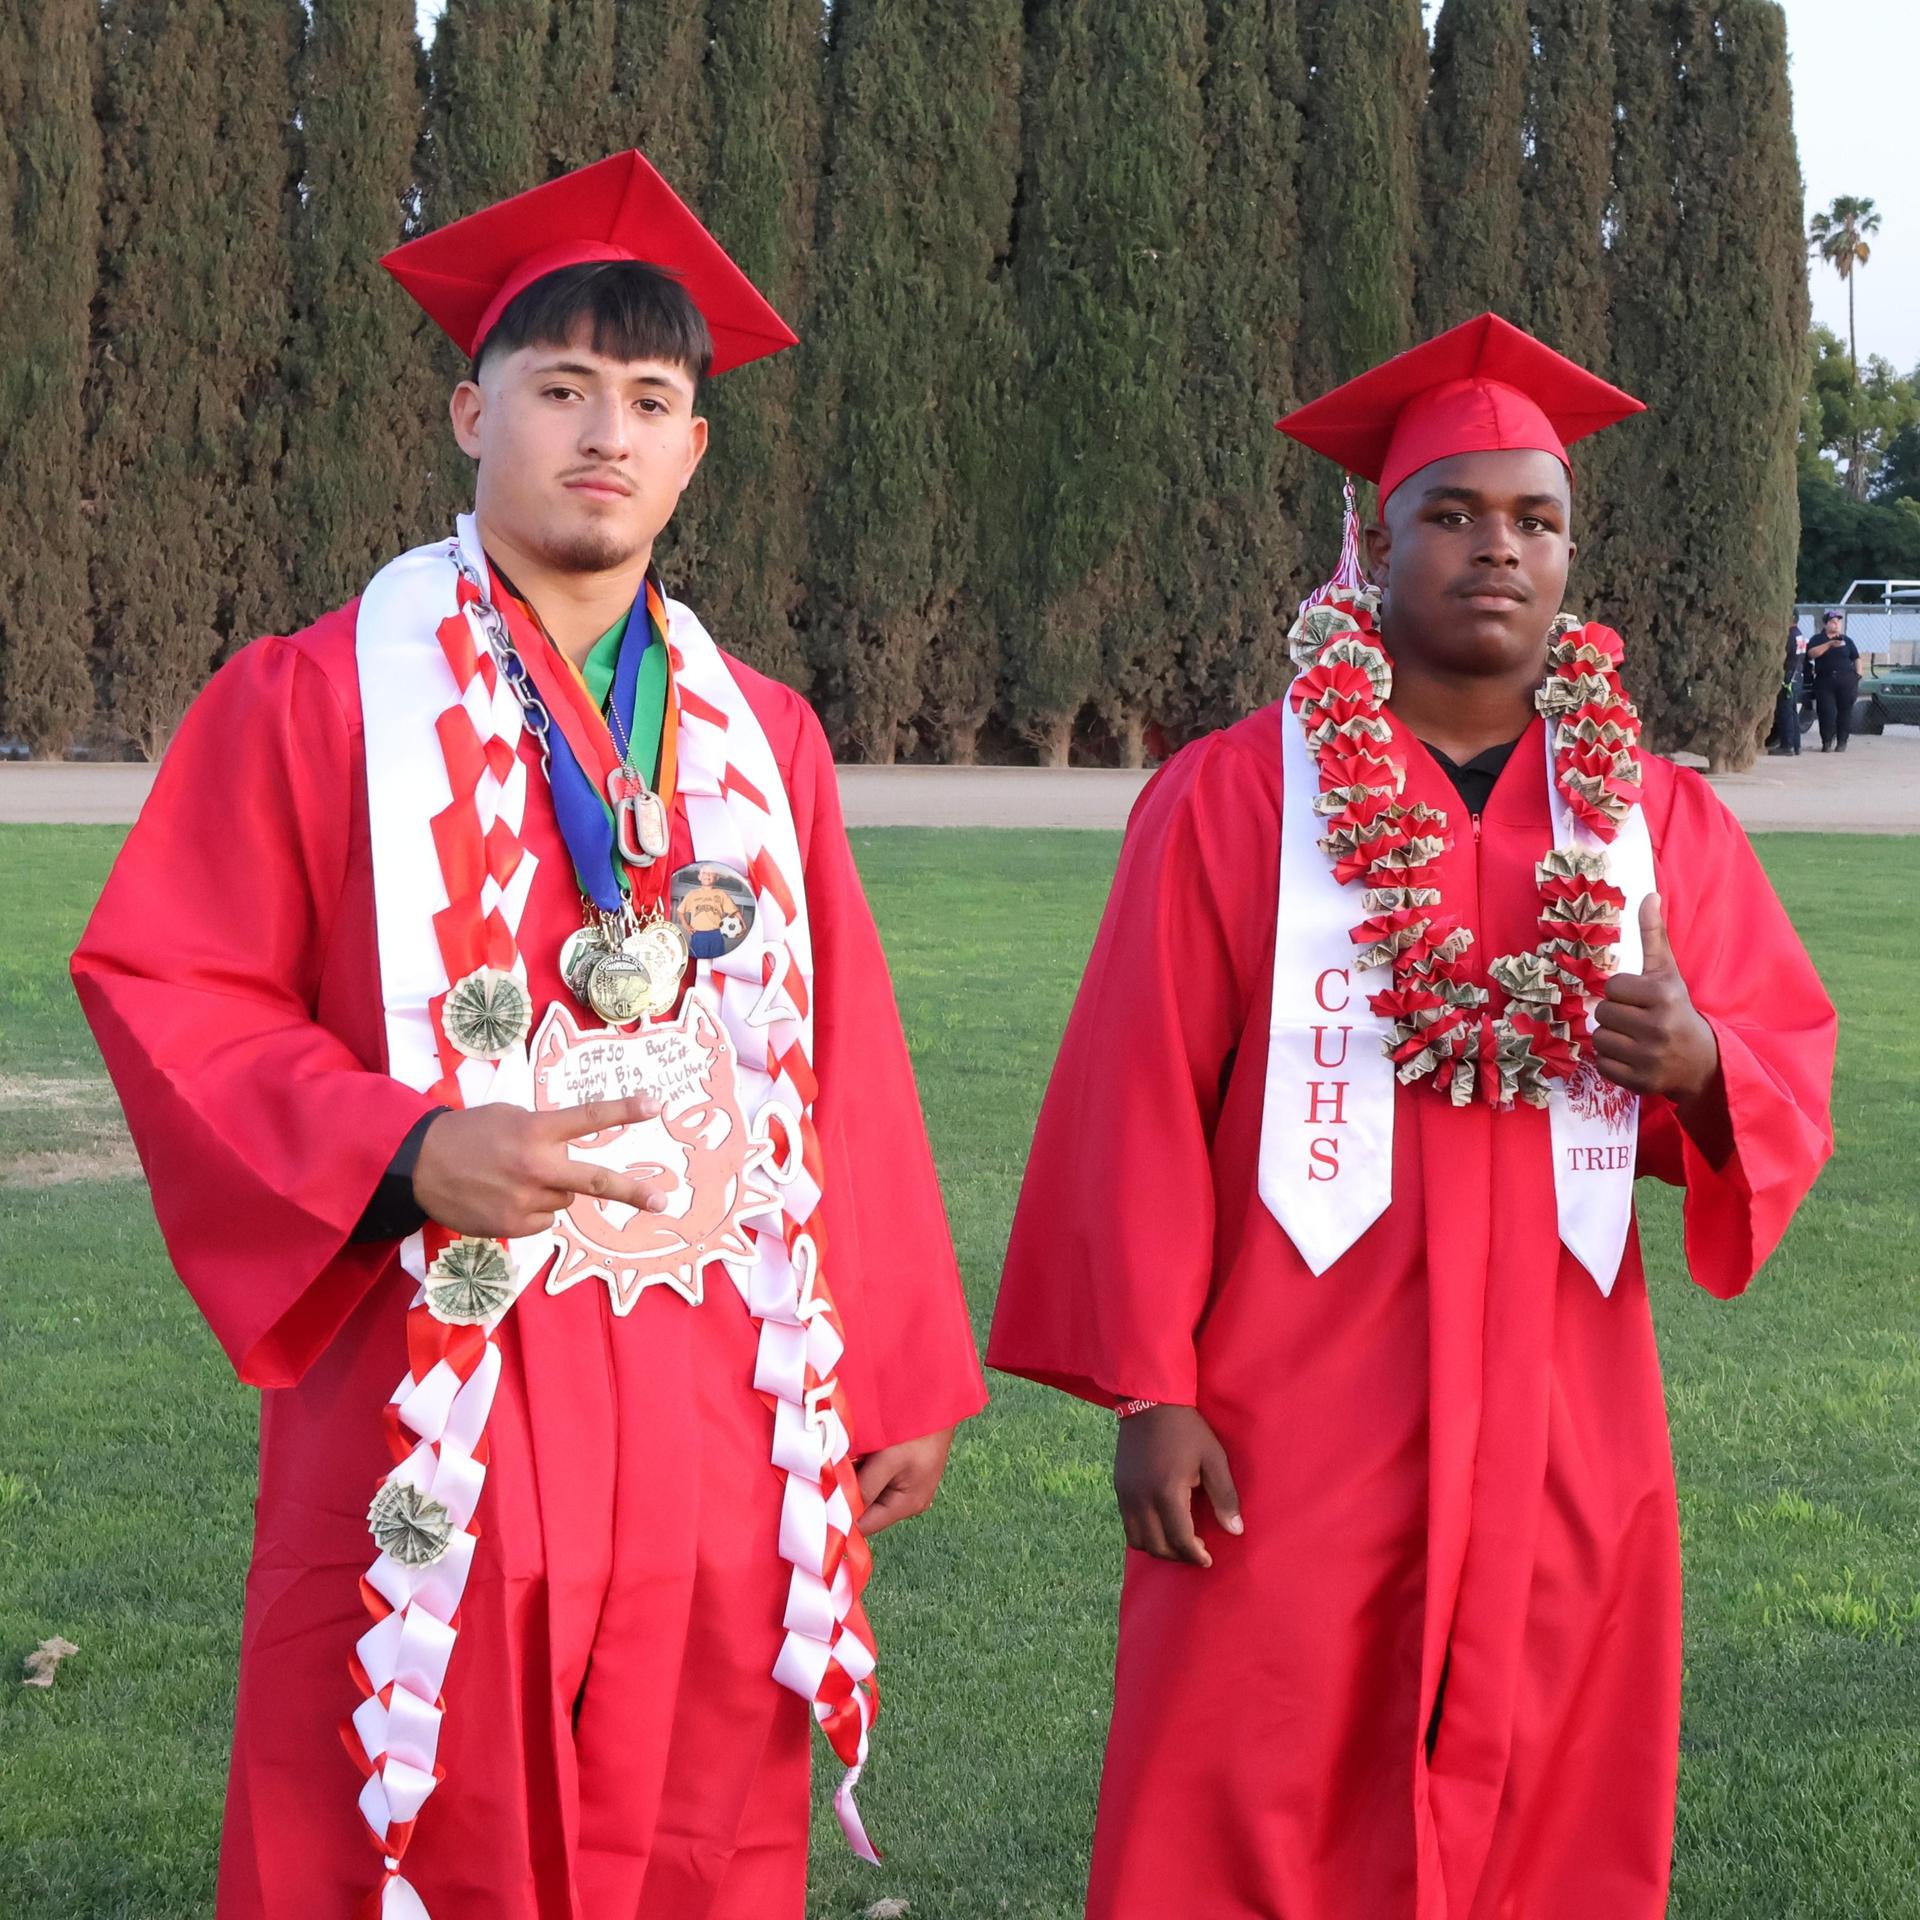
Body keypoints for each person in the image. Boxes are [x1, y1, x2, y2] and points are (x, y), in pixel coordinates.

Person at [72, 151, 985, 1920]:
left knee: (703, 1811)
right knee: (428, 1792)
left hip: (718, 1372)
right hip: (447, 1354)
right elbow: (170, 982)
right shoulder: (317, 695)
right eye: (560, 387)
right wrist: (402, 1149)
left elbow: (838, 1052)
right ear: (467, 410)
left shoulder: (761, 739)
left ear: (695, 451)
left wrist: (898, 1366)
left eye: (650, 400)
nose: (604, 433)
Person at [988, 313, 1836, 1919]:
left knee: (1556, 1764)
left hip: (1564, 1393)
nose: (1496, 550)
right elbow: (1138, 1097)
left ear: (1574, 555)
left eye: (1535, 520)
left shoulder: (1651, 816)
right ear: (1371, 542)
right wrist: (1151, 1389)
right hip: (1292, 1393)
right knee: (1252, 1748)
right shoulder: (1241, 793)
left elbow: (1776, 1055)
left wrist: (1702, 1067)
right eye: (1451, 514)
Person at [1808, 607, 1862, 751]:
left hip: (1846, 680)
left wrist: (1858, 675)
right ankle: (1826, 741)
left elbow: (1856, 658)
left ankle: (1842, 742)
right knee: (1827, 712)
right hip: (1825, 681)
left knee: (1845, 712)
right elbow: (1812, 654)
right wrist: (1829, 644)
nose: (1836, 624)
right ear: (1825, 624)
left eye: (1838, 622)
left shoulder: (1847, 640)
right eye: (1832, 622)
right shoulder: (1817, 639)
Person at [1768, 620, 1804, 754]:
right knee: (1793, 711)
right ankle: (1796, 744)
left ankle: (1787, 745)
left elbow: (1782, 655)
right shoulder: (1799, 634)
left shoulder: (1789, 635)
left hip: (1788, 675)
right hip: (1797, 674)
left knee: (1785, 710)